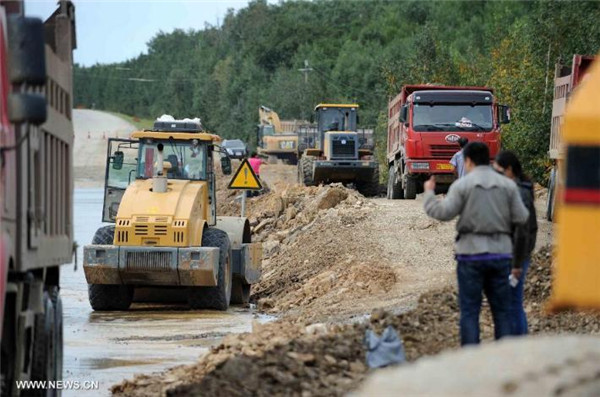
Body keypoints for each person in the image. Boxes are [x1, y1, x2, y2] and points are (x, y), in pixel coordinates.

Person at [423, 142, 529, 346]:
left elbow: (443, 213)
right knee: (503, 311)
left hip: (470, 256)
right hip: (501, 255)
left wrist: (429, 194)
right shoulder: (507, 185)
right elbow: (522, 217)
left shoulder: (462, 185)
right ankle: (505, 358)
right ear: (488, 159)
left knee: (470, 311)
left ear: (468, 160)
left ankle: (471, 358)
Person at [493, 150, 538, 336]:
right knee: (510, 302)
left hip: (514, 257)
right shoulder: (517, 189)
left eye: (500, 172)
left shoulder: (519, 193)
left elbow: (522, 232)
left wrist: (517, 264)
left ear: (510, 170)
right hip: (512, 254)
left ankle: (516, 344)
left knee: (512, 303)